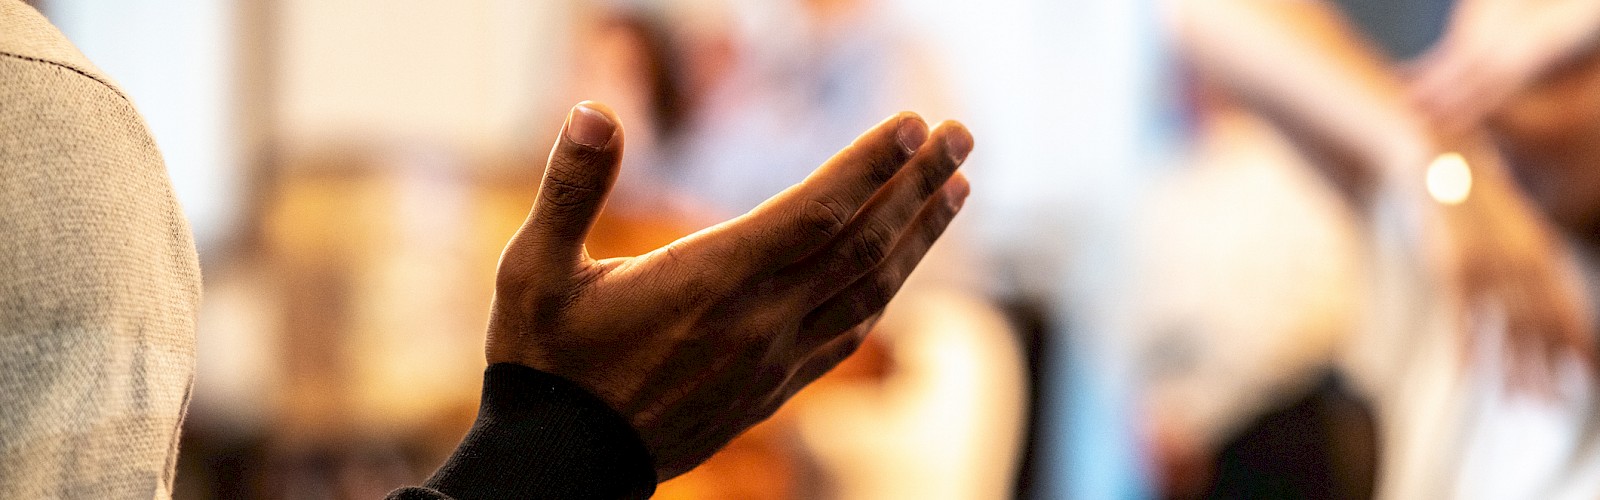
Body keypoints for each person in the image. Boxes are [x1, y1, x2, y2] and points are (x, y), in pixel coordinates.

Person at [0, 1, 975, 498]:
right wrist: (561, 447)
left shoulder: (50, 122)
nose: (591, 87)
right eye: (582, 66)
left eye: (618, 70)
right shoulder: (46, 123)